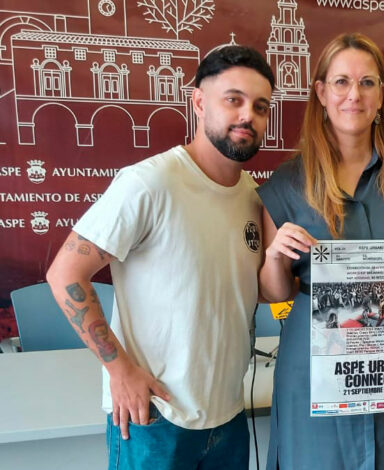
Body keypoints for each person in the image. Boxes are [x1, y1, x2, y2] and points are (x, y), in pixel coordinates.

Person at [45, 45, 275, 469]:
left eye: (260, 106)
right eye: (233, 99)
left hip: (228, 415)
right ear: (199, 102)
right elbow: (65, 274)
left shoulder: (254, 197)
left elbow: (251, 291)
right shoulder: (149, 183)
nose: (248, 115)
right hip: (154, 417)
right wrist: (120, 371)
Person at [256, 33, 384, 470]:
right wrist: (275, 256)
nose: (354, 95)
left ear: (382, 94)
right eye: (341, 82)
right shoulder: (287, 182)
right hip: (314, 360)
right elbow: (274, 294)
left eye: (367, 82)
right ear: (321, 92)